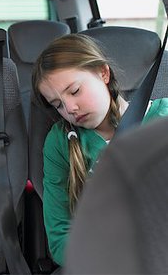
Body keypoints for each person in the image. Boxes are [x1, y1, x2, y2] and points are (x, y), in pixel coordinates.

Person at [31, 33, 168, 267]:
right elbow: (60, 237)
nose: (70, 108)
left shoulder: (162, 118)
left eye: (74, 91)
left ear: (103, 73)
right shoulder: (60, 142)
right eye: (57, 105)